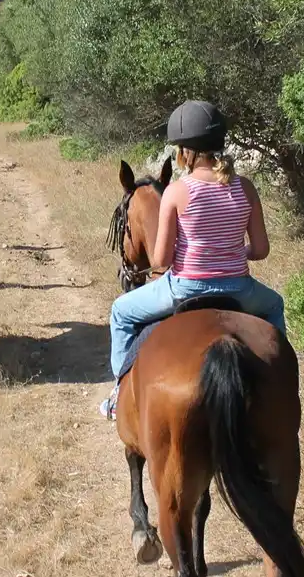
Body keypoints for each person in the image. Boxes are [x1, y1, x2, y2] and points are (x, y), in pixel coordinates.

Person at [102, 100, 288, 419]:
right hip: (239, 289)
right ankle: (281, 384)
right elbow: (260, 250)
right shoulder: (245, 187)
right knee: (274, 305)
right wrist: (231, 253)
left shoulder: (176, 191)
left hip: (185, 289)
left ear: (185, 151)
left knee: (120, 312)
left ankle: (120, 395)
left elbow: (160, 259)